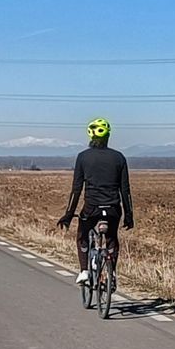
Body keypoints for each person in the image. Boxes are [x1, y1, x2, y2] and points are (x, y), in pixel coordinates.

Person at [57, 118, 134, 285]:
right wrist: (129, 215)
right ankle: (112, 273)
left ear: (90, 136)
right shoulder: (119, 158)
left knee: (82, 236)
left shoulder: (83, 157)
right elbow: (125, 190)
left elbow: (76, 189)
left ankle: (84, 270)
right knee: (112, 238)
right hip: (113, 208)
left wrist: (69, 214)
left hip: (92, 209)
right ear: (108, 136)